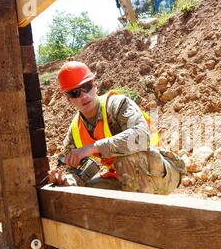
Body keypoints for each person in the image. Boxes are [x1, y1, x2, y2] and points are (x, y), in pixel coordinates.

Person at [48, 61, 185, 195]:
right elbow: (78, 170)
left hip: (160, 171)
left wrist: (93, 147)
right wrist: (67, 181)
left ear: (95, 85)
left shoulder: (117, 105)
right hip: (122, 177)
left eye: (87, 86)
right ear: (69, 99)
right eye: (75, 93)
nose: (83, 95)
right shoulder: (76, 130)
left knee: (127, 159)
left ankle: (145, 214)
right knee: (86, 193)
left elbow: (141, 137)